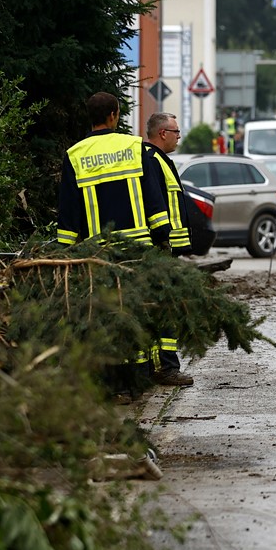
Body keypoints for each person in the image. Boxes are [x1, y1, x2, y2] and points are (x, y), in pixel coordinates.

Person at [57, 92, 170, 388]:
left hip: (99, 253)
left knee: (108, 315)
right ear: (113, 116)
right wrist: (162, 237)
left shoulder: (75, 155)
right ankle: (140, 379)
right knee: (137, 311)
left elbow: (68, 211)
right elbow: (153, 198)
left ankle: (115, 385)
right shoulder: (134, 147)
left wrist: (65, 253)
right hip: (139, 250)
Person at [142, 112, 195, 387]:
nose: (178, 137)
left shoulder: (159, 160)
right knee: (164, 307)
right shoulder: (151, 161)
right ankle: (165, 368)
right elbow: (155, 205)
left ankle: (163, 365)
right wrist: (163, 239)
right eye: (176, 132)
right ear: (162, 133)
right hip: (160, 248)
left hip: (166, 248)